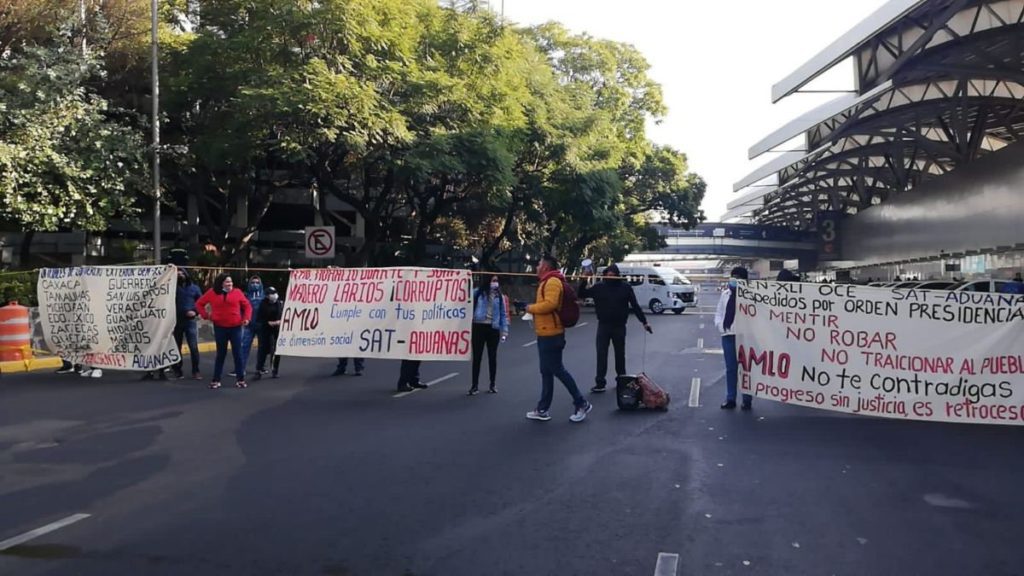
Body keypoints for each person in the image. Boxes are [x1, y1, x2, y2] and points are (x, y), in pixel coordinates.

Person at [525, 254, 592, 423]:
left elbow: (550, 304)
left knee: (557, 370)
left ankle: (581, 403)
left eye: (539, 264)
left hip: (552, 334)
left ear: (546, 267)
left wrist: (530, 308)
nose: (536, 267)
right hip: (545, 333)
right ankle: (542, 409)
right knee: (546, 372)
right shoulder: (546, 281)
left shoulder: (552, 282)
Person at [577, 263, 651, 393]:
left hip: (619, 326)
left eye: (613, 275)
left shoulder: (625, 287)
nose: (610, 277)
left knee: (620, 354)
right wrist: (584, 279)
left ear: (618, 276)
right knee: (601, 354)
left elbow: (635, 305)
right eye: (608, 275)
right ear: (605, 275)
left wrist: (644, 322)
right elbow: (582, 294)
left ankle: (621, 380)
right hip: (604, 325)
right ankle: (600, 383)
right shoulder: (599, 287)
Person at [196, 273, 252, 389]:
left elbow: (247, 306)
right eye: (227, 282)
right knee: (221, 354)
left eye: (230, 282)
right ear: (221, 283)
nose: (229, 284)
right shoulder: (212, 292)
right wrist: (206, 316)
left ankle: (240, 379)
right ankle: (216, 380)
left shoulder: (237, 292)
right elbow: (199, 304)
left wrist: (246, 318)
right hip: (220, 327)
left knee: (238, 353)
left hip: (236, 327)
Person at [716, 266, 752, 410]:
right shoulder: (725, 294)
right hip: (728, 336)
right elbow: (719, 312)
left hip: (745, 337)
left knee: (746, 369)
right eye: (733, 277)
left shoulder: (750, 295)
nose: (735, 280)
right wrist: (720, 326)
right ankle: (730, 398)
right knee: (731, 368)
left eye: (738, 278)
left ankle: (747, 399)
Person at [468, 275, 510, 395]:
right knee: (477, 357)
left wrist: (505, 330)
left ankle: (492, 384)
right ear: (487, 281)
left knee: (492, 357)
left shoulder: (500, 297)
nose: (495, 283)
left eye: (497, 281)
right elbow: (465, 298)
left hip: (493, 328)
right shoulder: (478, 293)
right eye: (493, 280)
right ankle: (474, 385)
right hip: (478, 326)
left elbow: (503, 314)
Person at [171, 267, 203, 379]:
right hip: (176, 321)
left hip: (190, 322)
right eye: (178, 274)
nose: (180, 275)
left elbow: (201, 303)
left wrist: (195, 312)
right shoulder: (172, 288)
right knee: (176, 347)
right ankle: (177, 370)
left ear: (186, 275)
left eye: (182, 273)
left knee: (193, 347)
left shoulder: (194, 288)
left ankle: (196, 370)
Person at [254, 287, 283, 379]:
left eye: (275, 292)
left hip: (276, 329)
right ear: (267, 295)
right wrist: (267, 322)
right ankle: (259, 369)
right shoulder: (263, 304)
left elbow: (281, 314)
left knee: (277, 350)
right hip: (265, 329)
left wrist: (279, 322)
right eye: (271, 293)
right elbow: (259, 319)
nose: (274, 295)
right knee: (263, 349)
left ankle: (275, 370)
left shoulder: (278, 303)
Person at [239, 274, 265, 374]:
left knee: (262, 348)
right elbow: (241, 309)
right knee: (244, 347)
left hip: (261, 325)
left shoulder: (264, 296)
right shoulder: (245, 296)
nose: (255, 284)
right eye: (253, 283)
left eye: (257, 283)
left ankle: (260, 367)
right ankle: (241, 368)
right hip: (248, 325)